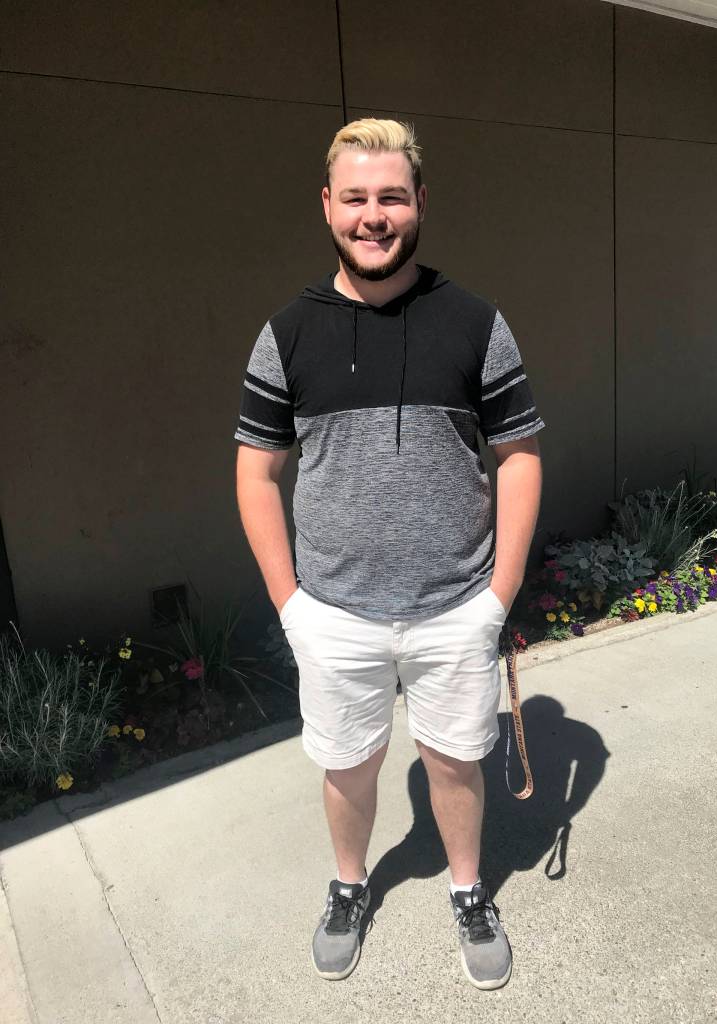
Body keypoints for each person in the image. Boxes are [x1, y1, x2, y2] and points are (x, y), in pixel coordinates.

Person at [234, 118, 545, 990]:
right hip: (334, 614)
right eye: (357, 198)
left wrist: (497, 595)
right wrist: (291, 605)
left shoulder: (476, 324)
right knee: (348, 766)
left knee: (454, 762)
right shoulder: (287, 334)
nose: (375, 215)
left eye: (392, 197)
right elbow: (255, 473)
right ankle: (348, 884)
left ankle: (468, 890)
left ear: (419, 204)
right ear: (328, 206)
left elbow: (519, 458)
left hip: (455, 607)